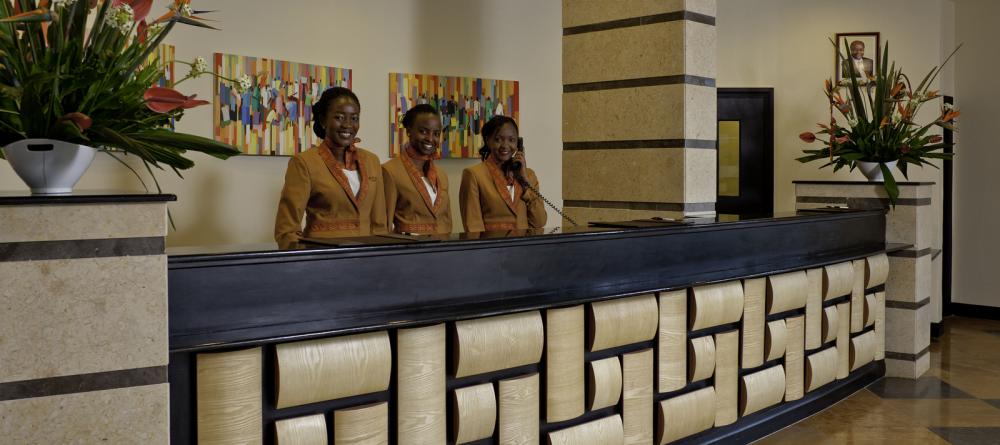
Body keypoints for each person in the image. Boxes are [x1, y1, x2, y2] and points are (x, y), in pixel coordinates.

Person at [274, 87, 387, 248]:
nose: (348, 125)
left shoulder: (372, 161)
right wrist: (303, 263)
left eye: (354, 118)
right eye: (339, 117)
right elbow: (287, 229)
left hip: (367, 259)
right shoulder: (304, 162)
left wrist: (382, 260)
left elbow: (380, 223)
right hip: (322, 258)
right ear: (323, 120)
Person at [459, 115, 547, 232]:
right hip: (492, 248)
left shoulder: (529, 175)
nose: (505, 146)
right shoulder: (474, 175)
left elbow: (540, 222)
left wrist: (526, 184)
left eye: (511, 140)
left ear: (518, 144)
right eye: (498, 139)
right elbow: (473, 228)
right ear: (488, 140)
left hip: (524, 248)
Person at [382, 104, 453, 234]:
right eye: (423, 131)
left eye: (436, 133)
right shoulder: (390, 171)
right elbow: (384, 224)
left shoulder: (441, 175)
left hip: (442, 249)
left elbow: (447, 220)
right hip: (407, 250)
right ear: (409, 131)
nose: (430, 139)